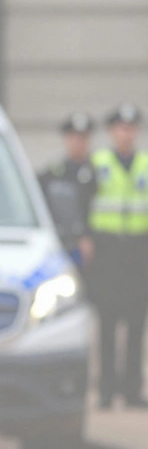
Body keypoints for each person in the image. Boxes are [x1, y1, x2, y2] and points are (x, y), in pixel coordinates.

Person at [86, 102, 148, 410]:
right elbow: (84, 203)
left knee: (137, 323)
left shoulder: (145, 164)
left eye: (131, 128)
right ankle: (107, 390)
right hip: (108, 250)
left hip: (139, 250)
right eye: (122, 129)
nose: (127, 134)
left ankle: (133, 390)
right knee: (108, 322)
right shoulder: (98, 163)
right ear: (112, 131)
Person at [38, 112, 97, 272]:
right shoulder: (53, 173)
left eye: (83, 138)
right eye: (74, 137)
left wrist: (87, 236)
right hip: (60, 241)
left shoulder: (97, 172)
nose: (78, 143)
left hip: (92, 244)